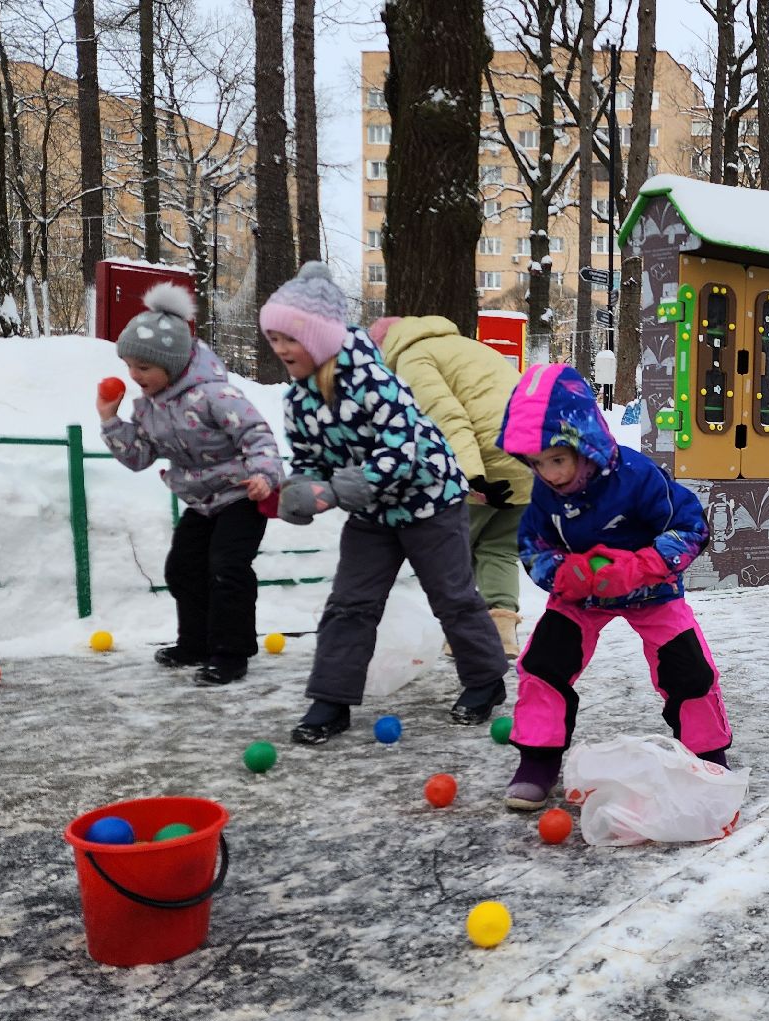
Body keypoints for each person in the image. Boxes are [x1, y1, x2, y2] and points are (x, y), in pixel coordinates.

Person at [261, 262, 509, 745]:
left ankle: (485, 681)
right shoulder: (297, 401)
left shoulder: (375, 382)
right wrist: (299, 491)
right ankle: (330, 699)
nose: (280, 349)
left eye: (289, 337)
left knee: (453, 597)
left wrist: (335, 491)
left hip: (431, 500)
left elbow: (399, 453)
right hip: (372, 514)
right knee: (350, 602)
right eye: (273, 337)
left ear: (318, 337)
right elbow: (310, 458)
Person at [498, 363, 733, 810]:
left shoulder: (637, 477)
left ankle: (707, 754)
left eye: (558, 460)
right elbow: (532, 545)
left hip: (652, 591)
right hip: (582, 595)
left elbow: (691, 527)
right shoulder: (545, 493)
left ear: (584, 443)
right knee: (544, 662)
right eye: (538, 463)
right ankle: (538, 759)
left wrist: (641, 566)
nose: (549, 474)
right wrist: (565, 575)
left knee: (689, 670)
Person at [98, 283, 281, 686]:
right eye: (129, 365)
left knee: (227, 568)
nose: (134, 375)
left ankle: (231, 652)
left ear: (174, 362)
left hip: (242, 493)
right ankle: (196, 643)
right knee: (182, 569)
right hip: (202, 502)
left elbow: (257, 435)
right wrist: (112, 421)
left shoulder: (216, 395)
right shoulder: (149, 409)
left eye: (144, 368)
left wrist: (265, 477)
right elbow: (138, 457)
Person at [367, 315, 535, 658]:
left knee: (455, 552)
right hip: (529, 454)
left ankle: (467, 635)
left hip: (484, 462)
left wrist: (469, 476)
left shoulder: (414, 358)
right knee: (499, 548)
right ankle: (502, 633)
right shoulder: (467, 347)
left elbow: (446, 418)